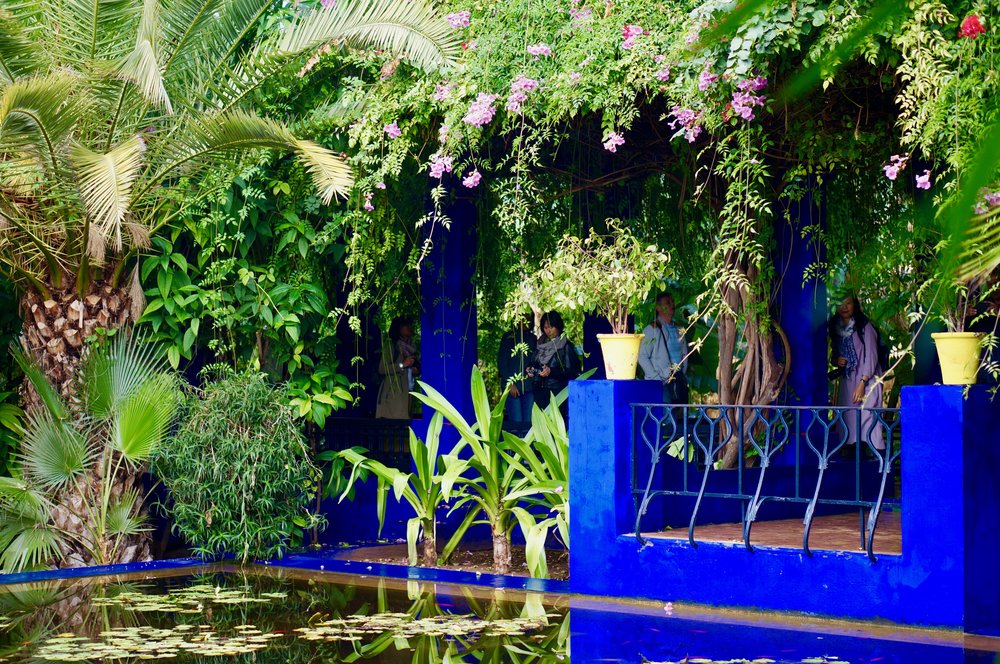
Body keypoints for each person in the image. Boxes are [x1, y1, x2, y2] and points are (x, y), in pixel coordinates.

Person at [828, 295, 884, 450]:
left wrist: (862, 382)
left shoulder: (865, 328)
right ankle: (853, 459)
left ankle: (875, 460)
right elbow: (834, 355)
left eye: (848, 303)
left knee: (867, 418)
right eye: (841, 303)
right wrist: (837, 360)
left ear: (855, 305)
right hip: (847, 380)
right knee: (848, 420)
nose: (844, 307)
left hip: (867, 380)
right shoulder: (836, 328)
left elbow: (872, 356)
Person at [638, 292, 690, 404]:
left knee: (679, 416)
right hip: (661, 382)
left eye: (672, 302)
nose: (672, 305)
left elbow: (684, 353)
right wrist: (656, 378)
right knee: (666, 417)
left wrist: (682, 373)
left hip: (678, 380)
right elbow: (642, 356)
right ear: (658, 308)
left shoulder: (679, 329)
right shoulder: (652, 329)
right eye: (667, 302)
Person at [527, 311, 580, 412]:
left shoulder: (565, 345)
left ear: (558, 326)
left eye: (551, 327)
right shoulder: (540, 344)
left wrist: (551, 371)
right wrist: (530, 369)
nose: (548, 330)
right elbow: (533, 362)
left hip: (558, 392)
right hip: (540, 390)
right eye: (545, 327)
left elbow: (571, 372)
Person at [497, 316, 538, 431]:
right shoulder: (508, 337)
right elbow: (502, 363)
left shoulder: (533, 339)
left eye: (528, 318)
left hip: (529, 388)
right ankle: (516, 449)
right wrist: (510, 384)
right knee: (516, 422)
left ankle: (527, 449)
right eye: (522, 318)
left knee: (529, 424)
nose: (525, 321)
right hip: (513, 388)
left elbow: (536, 361)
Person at [376, 317, 419, 419]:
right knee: (393, 426)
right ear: (398, 328)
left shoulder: (412, 347)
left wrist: (415, 370)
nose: (410, 328)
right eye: (406, 325)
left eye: (410, 325)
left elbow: (414, 367)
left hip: (408, 392)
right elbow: (382, 369)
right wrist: (402, 365)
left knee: (404, 424)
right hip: (394, 394)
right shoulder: (391, 345)